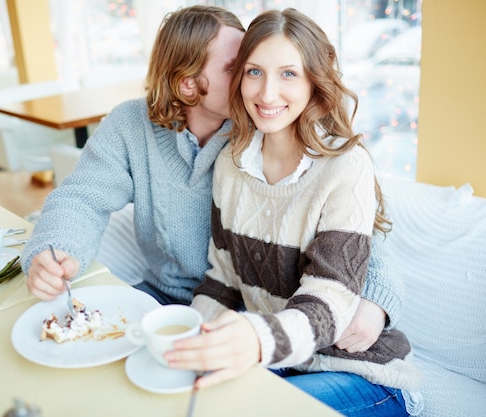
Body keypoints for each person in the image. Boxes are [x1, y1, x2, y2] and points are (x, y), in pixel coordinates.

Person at [21, 5, 400, 353]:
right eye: (242, 69)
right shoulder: (130, 126)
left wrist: (377, 300)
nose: (259, 85)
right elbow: (81, 198)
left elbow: (347, 223)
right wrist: (55, 252)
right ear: (188, 85)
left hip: (242, 311)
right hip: (166, 297)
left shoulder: (262, 129)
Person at [164, 9, 422, 417]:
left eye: (288, 74)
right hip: (282, 363)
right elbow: (223, 280)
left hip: (360, 373)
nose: (267, 94)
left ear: (314, 83)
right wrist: (189, 345)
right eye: (254, 72)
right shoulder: (231, 164)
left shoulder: (345, 167)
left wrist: (257, 338)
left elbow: (330, 300)